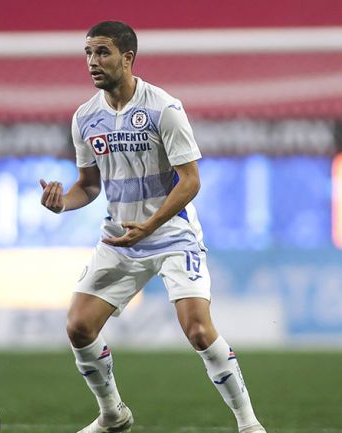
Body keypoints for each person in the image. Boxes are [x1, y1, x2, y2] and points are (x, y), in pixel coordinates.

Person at [39, 20, 267, 433]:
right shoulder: (84, 118)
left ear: (128, 58)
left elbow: (191, 180)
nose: (93, 61)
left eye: (103, 52)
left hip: (171, 233)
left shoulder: (164, 108)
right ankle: (113, 415)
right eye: (88, 53)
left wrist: (150, 225)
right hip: (121, 237)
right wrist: (61, 204)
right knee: (78, 326)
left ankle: (249, 425)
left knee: (198, 330)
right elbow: (88, 187)